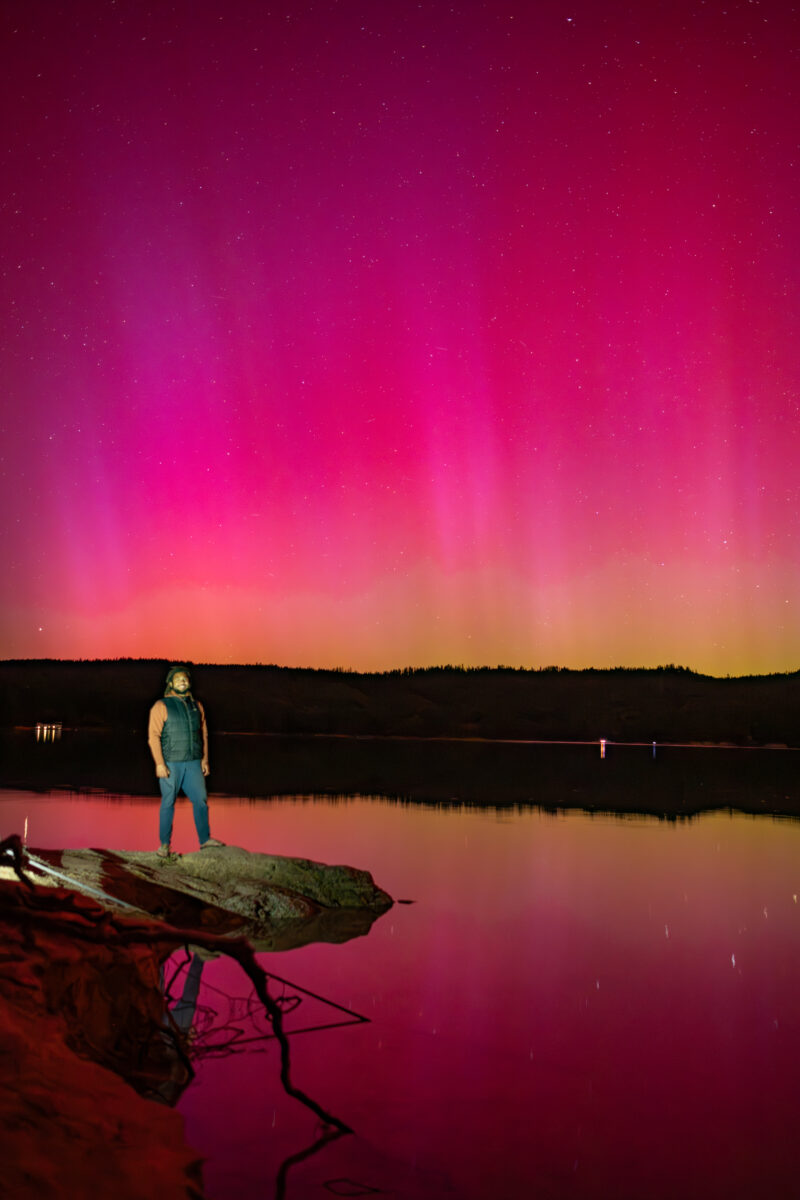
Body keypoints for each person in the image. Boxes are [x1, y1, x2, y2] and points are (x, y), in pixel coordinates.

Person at [147, 665, 224, 857]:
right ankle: (164, 845)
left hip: (193, 763)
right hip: (171, 764)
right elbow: (153, 736)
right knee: (168, 802)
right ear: (171, 683)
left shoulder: (197, 706)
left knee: (201, 801)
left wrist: (205, 760)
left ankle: (205, 841)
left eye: (185, 679)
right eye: (178, 679)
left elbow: (203, 734)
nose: (183, 681)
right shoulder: (161, 705)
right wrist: (159, 763)